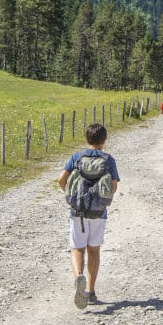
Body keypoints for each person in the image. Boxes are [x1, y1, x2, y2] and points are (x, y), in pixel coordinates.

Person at [58, 123, 120, 309]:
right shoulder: (108, 160)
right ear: (104, 140)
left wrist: (71, 196)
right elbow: (114, 187)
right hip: (99, 212)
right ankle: (91, 293)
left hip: (77, 211)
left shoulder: (76, 157)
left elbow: (61, 179)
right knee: (94, 250)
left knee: (77, 248)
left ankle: (79, 277)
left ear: (86, 139)